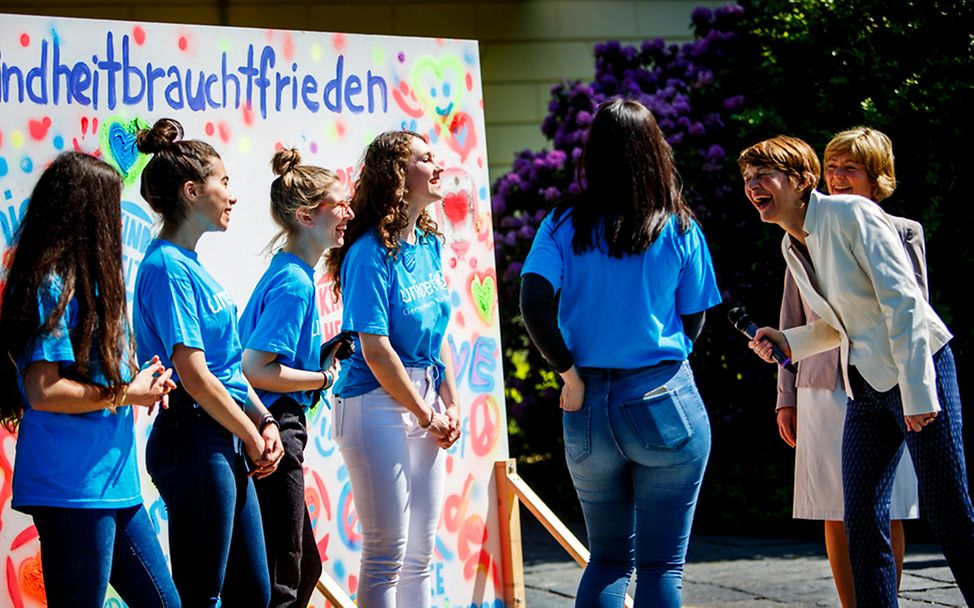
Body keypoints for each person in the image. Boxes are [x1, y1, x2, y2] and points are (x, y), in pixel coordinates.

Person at [739, 135, 974, 607]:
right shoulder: (792, 243)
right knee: (860, 519)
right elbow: (838, 324)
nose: (752, 186)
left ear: (802, 181)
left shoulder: (853, 215)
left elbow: (904, 303)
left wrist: (917, 394)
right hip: (862, 385)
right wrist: (789, 341)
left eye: (764, 175)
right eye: (747, 178)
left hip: (918, 368)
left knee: (950, 514)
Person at [520, 98, 722, 607]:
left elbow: (534, 302)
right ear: (656, 151)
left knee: (607, 559)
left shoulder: (563, 222)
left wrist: (568, 373)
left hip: (585, 403)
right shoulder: (679, 225)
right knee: (661, 568)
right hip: (662, 396)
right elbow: (694, 317)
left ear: (595, 151)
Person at [0, 151, 180, 608]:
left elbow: (100, 383)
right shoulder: (48, 284)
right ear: (85, 210)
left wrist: (144, 384)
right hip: (72, 488)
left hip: (114, 485)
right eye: (110, 205)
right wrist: (126, 391)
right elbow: (43, 391)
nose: (117, 219)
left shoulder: (95, 284)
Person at [133, 118, 284, 607]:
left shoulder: (191, 265)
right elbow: (195, 378)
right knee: (205, 595)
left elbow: (226, 368)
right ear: (192, 190)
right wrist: (249, 433)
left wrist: (263, 420)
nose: (231, 195)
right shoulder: (165, 268)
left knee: (253, 594)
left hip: (223, 438)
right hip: (196, 440)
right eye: (223, 182)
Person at [775, 127, 922, 607]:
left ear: (877, 177)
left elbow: (913, 313)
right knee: (833, 508)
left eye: (850, 168)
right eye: (831, 167)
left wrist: (916, 390)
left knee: (888, 505)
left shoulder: (904, 231)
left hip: (885, 382)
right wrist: (786, 396)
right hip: (821, 384)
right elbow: (790, 321)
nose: (836, 178)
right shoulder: (800, 233)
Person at [324, 130, 461, 608]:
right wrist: (426, 413)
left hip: (424, 401)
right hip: (374, 404)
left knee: (421, 554)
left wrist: (450, 401)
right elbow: (376, 349)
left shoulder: (427, 243)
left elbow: (435, 336)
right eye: (426, 158)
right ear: (399, 176)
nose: (438, 165)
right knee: (387, 553)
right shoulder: (368, 252)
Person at [238, 148, 353, 607]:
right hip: (276, 426)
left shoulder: (291, 272)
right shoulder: (294, 282)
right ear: (307, 215)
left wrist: (317, 361)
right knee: (286, 576)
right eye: (339, 205)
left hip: (275, 423)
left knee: (303, 568)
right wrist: (322, 379)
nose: (348, 213)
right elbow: (256, 367)